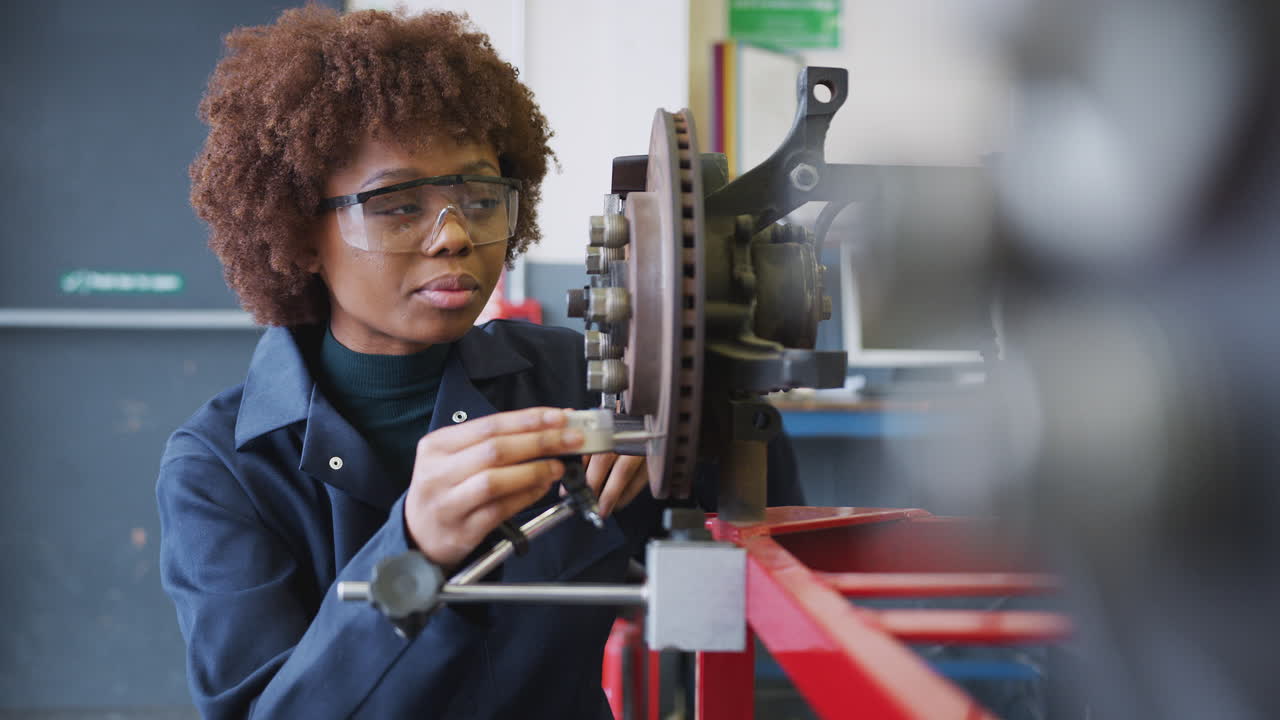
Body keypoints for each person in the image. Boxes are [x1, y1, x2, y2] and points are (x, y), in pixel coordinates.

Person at [158, 6, 801, 719]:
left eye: (478, 196)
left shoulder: (582, 386)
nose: (455, 235)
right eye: (398, 205)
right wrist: (413, 551)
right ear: (301, 234)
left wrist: (705, 404)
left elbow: (765, 564)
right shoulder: (222, 468)